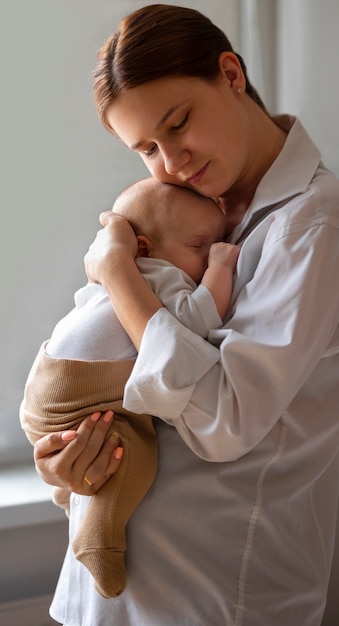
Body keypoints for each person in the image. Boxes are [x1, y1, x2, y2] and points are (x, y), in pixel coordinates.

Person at [31, 4, 339, 625]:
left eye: (179, 123)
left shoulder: (316, 222)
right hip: (103, 595)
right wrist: (73, 462)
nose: (171, 161)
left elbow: (226, 419)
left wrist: (118, 275)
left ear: (231, 74)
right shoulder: (174, 213)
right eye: (147, 149)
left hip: (217, 591)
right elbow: (120, 375)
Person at [20, 176, 239, 599]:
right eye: (199, 247)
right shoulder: (160, 275)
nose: (209, 253)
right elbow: (196, 323)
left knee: (96, 449)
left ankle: (69, 497)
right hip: (87, 390)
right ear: (144, 248)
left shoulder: (112, 275)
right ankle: (97, 538)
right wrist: (222, 268)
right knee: (133, 454)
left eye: (216, 244)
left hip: (45, 388)